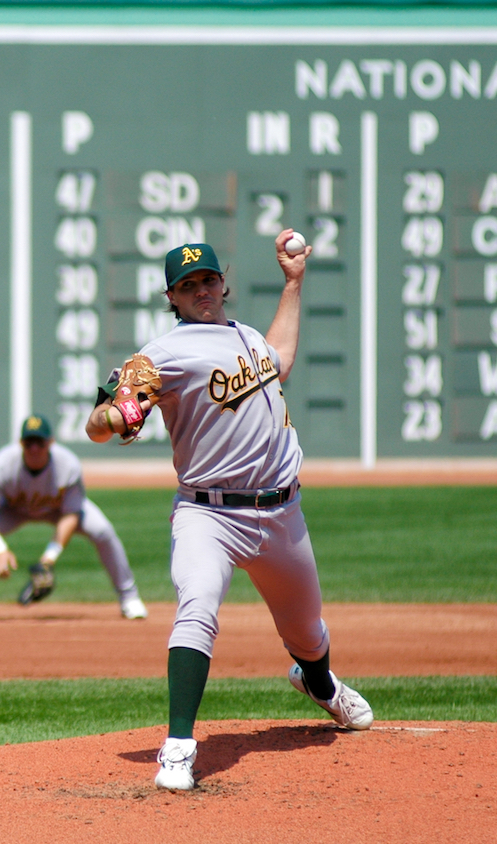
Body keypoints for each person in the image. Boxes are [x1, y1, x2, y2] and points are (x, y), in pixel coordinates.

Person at [85, 232, 372, 792]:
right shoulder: (160, 355)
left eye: (209, 280)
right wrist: (112, 416)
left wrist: (293, 283)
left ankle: (320, 685)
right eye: (188, 285)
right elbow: (98, 423)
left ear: (223, 284)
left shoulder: (246, 337)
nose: (201, 290)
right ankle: (177, 747)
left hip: (281, 512)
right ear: (172, 297)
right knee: (197, 608)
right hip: (208, 515)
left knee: (307, 632)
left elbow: (280, 360)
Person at [0, 412, 147, 622]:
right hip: (14, 510)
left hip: (58, 510)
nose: (34, 448)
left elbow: (71, 515)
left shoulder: (67, 464)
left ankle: (129, 597)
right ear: (20, 443)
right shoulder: (2, 464)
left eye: (40, 443)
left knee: (103, 531)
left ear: (50, 442)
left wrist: (48, 559)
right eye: (29, 443)